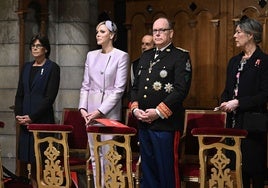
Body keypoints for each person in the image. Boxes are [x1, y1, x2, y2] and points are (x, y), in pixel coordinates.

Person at [130, 17, 192, 188]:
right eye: (154, 30)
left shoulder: (180, 56)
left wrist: (157, 112)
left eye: (161, 30)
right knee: (148, 169)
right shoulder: (146, 56)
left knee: (166, 169)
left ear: (171, 33)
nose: (157, 34)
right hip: (144, 122)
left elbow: (181, 90)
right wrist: (135, 110)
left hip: (166, 124)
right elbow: (135, 87)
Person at [78, 20, 129, 186]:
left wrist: (100, 111)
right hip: (90, 113)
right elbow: (85, 85)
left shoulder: (121, 56)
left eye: (102, 32)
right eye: (97, 32)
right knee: (94, 155)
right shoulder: (91, 55)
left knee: (108, 156)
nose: (98, 35)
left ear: (112, 35)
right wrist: (83, 108)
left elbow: (119, 89)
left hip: (109, 113)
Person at [219, 16, 268, 188]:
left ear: (250, 35)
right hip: (233, 123)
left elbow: (264, 94)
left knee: (253, 169)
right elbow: (227, 90)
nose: (234, 35)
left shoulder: (264, 61)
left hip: (253, 123)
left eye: (238, 32)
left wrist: (238, 102)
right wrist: (224, 102)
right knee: (235, 169)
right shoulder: (234, 61)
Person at [14, 34, 60, 185]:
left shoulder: (52, 67)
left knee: (42, 159)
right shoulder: (26, 67)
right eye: (33, 46)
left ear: (46, 49)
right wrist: (19, 115)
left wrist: (32, 117)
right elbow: (20, 93)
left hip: (42, 121)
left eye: (38, 45)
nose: (34, 48)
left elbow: (49, 98)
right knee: (30, 161)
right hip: (25, 123)